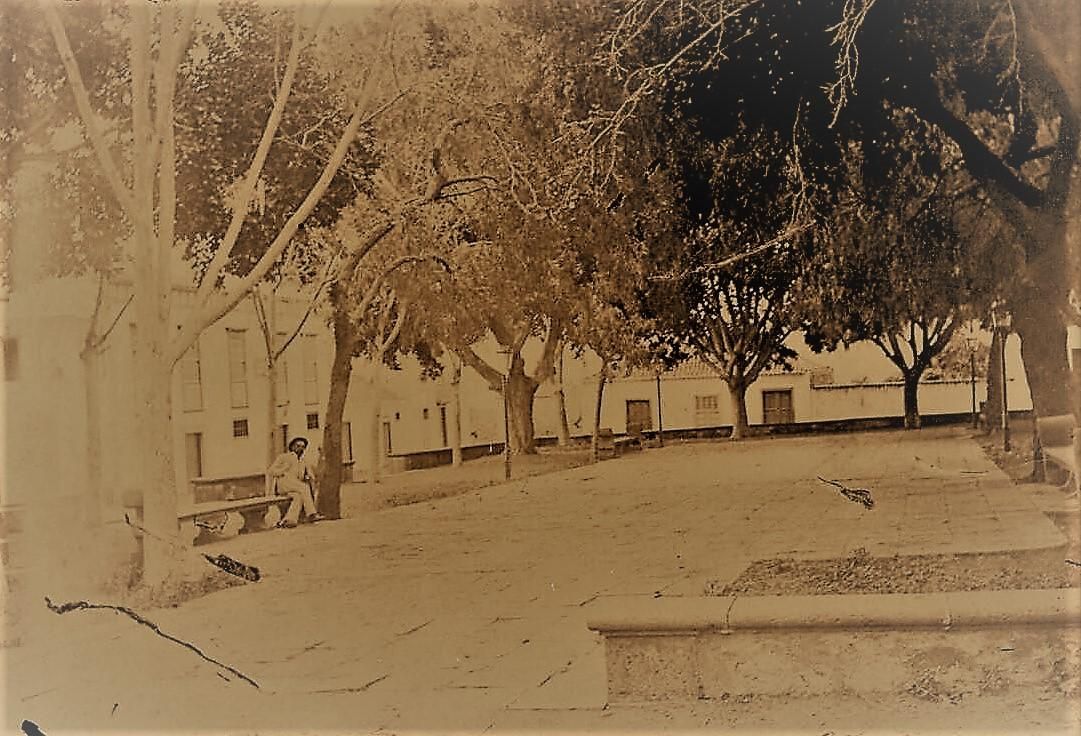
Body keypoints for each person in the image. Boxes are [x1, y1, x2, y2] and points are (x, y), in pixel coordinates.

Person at [267, 437, 324, 527]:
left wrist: (308, 476)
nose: (300, 448)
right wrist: (283, 469)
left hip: (295, 487)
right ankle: (311, 514)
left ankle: (289, 520)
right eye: (297, 446)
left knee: (298, 497)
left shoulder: (303, 461)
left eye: (303, 447)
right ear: (292, 447)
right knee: (304, 487)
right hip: (283, 484)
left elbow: (310, 475)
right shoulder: (284, 457)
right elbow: (271, 471)